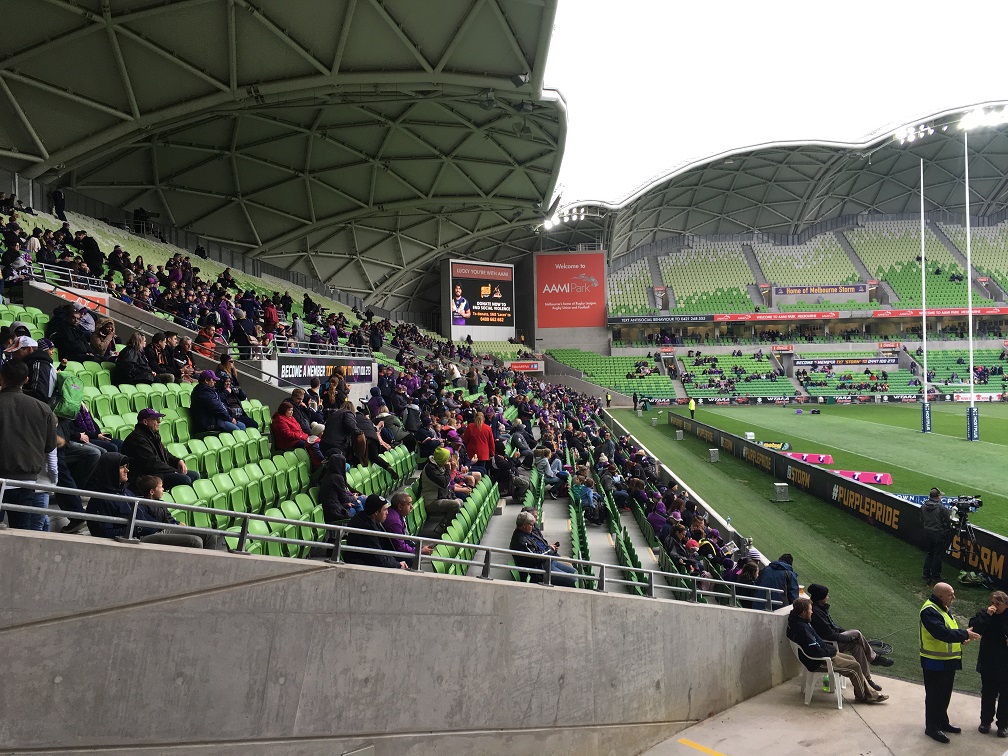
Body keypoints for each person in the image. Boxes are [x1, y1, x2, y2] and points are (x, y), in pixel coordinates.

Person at [786, 598, 888, 704]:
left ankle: (869, 693)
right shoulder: (802, 628)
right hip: (818, 661)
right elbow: (816, 651)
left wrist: (829, 649)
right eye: (810, 610)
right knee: (855, 666)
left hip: (819, 656)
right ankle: (863, 697)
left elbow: (817, 642)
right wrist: (832, 651)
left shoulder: (797, 621)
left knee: (853, 659)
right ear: (803, 612)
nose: (812, 612)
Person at [86, 458, 204, 549]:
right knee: (194, 541)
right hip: (140, 538)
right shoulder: (100, 500)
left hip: (155, 530)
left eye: (126, 467)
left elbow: (143, 516)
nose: (127, 470)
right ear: (110, 470)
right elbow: (103, 533)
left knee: (208, 535)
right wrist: (137, 529)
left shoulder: (126, 492)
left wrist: (160, 525)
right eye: (122, 467)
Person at [0, 359, 58, 530]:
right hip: (26, 483)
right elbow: (50, 448)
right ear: (26, 380)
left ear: (1, 377)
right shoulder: (43, 409)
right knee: (21, 533)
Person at [920, 582, 979, 743]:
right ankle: (932, 727)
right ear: (940, 596)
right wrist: (963, 634)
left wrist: (961, 639)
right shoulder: (929, 611)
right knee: (934, 694)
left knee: (945, 693)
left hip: (947, 660)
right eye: (950, 594)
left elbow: (949, 629)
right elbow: (941, 632)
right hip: (934, 660)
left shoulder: (944, 607)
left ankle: (942, 722)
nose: (954, 597)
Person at [807, 584, 892, 692]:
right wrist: (849, 638)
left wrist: (845, 633)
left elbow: (833, 627)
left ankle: (867, 679)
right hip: (830, 644)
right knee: (856, 633)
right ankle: (873, 658)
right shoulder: (817, 613)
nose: (828, 597)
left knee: (857, 647)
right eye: (826, 595)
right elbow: (830, 635)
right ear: (820, 598)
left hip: (833, 641)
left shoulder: (821, 609)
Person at [121, 408, 199, 489]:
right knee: (185, 479)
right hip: (146, 477)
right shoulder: (137, 439)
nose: (159, 422)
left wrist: (178, 461)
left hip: (158, 472)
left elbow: (165, 453)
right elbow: (152, 463)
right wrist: (174, 471)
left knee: (195, 475)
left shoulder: (153, 435)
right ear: (145, 422)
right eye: (156, 419)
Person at [969, 590, 1008, 737]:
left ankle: (1003, 725)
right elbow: (975, 628)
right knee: (987, 693)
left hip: (1005, 663)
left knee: (1005, 696)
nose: (994, 606)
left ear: (1006, 605)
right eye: (992, 603)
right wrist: (987, 615)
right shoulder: (985, 614)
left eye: (998, 604)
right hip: (988, 660)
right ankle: (985, 721)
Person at [509, 510, 578, 588]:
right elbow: (536, 557)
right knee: (574, 581)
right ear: (524, 525)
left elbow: (541, 547)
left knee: (575, 572)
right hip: (542, 570)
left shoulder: (528, 532)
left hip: (549, 562)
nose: (533, 526)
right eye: (531, 525)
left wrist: (550, 548)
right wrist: (550, 549)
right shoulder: (521, 541)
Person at [343, 494, 409, 570]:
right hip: (361, 568)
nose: (387, 513)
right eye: (385, 510)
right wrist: (398, 565)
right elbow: (378, 559)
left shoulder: (371, 521)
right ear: (376, 512)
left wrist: (396, 563)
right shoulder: (366, 529)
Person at [419, 446, 464, 529]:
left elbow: (447, 487)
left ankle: (442, 525)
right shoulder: (430, 469)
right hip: (430, 501)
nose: (448, 462)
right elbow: (444, 483)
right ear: (442, 459)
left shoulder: (438, 466)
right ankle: (444, 528)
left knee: (460, 501)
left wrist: (453, 497)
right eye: (447, 459)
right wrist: (448, 470)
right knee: (455, 504)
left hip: (439, 497)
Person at [385, 491, 433, 560]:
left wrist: (418, 548)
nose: (412, 506)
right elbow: (401, 547)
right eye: (409, 504)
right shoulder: (394, 522)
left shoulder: (396, 515)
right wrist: (419, 551)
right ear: (400, 507)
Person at [920, 487, 953, 583]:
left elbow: (921, 520)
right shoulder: (942, 508)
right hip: (939, 534)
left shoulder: (923, 506)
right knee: (937, 555)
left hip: (928, 532)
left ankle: (926, 573)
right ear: (938, 496)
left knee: (930, 553)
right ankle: (936, 575)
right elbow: (947, 522)